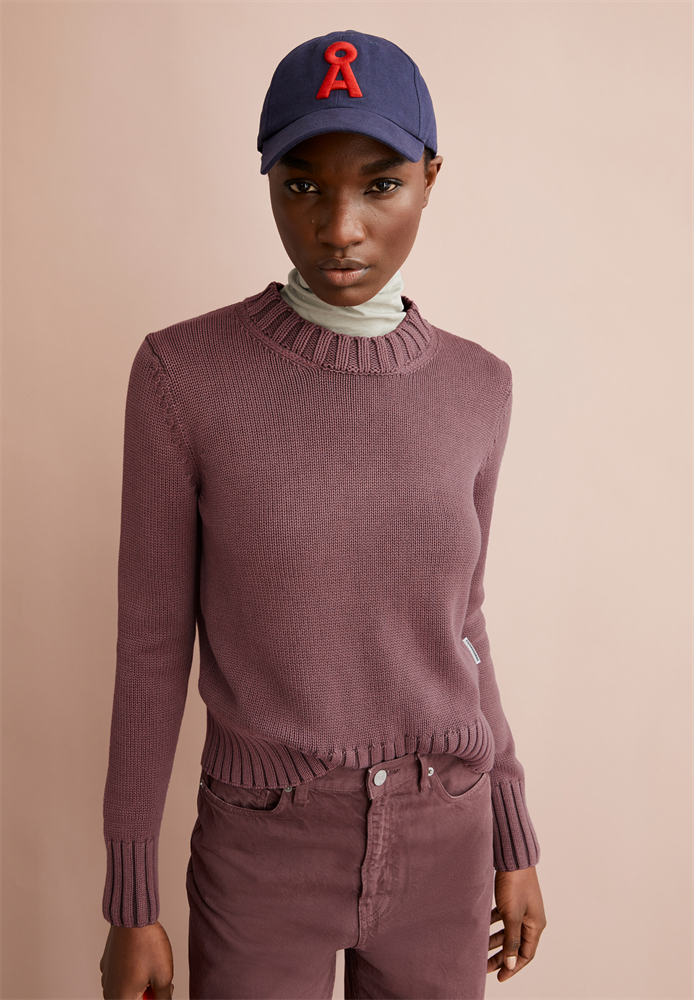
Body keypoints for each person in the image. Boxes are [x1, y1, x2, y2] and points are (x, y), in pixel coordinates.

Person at [99, 30, 546, 1000]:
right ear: (268, 180)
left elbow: (463, 624)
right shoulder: (182, 375)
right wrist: (130, 902)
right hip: (263, 846)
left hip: (446, 833)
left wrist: (512, 833)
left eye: (380, 184)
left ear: (430, 178)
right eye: (303, 185)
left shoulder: (481, 387)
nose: (340, 226)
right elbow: (151, 644)